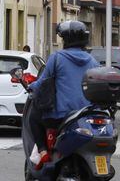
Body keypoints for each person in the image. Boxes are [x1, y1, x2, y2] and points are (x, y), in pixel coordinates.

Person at [28, 21, 99, 169]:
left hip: (60, 116)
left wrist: (31, 86)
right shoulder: (93, 61)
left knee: (33, 117)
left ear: (66, 39)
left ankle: (42, 151)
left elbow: (42, 83)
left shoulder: (57, 58)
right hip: (85, 115)